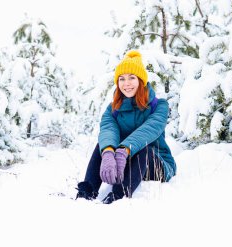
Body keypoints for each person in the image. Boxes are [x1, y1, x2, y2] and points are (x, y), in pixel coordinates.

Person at [76, 50, 177, 204]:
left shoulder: (159, 106)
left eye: (132, 78)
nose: (126, 83)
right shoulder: (113, 109)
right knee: (103, 145)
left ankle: (118, 196)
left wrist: (124, 151)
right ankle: (87, 191)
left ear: (141, 81)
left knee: (143, 148)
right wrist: (109, 153)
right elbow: (108, 131)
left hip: (156, 164)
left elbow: (148, 131)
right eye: (121, 79)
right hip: (124, 161)